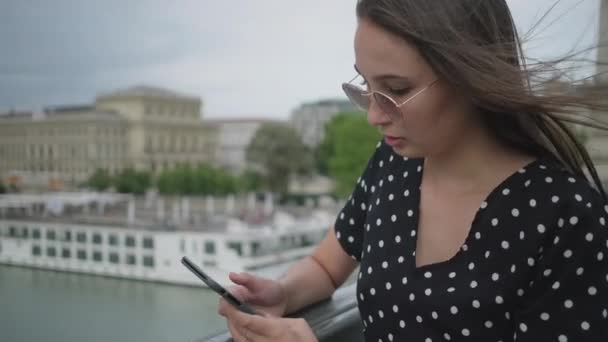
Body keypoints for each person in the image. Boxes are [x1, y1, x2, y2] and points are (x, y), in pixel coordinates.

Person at [218, 0, 608, 341]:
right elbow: (326, 264)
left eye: (397, 90)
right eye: (366, 87)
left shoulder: (567, 216)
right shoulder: (393, 164)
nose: (373, 115)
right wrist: (283, 293)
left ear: (469, 74)